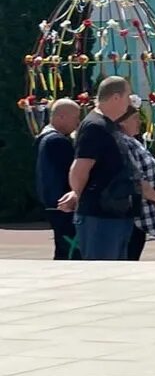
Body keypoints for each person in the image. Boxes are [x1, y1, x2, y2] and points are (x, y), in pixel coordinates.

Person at [57, 76, 140, 260]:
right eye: (128, 96)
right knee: (102, 273)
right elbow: (79, 169)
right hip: (100, 217)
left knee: (115, 275)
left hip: (116, 214)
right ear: (116, 98)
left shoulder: (109, 126)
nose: (130, 101)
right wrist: (78, 194)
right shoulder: (95, 126)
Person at [119, 104, 155, 261]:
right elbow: (137, 181)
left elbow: (148, 174)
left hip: (142, 211)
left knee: (134, 256)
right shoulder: (123, 143)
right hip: (132, 214)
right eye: (135, 118)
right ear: (122, 122)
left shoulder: (134, 141)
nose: (139, 122)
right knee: (128, 259)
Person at [36, 98, 81, 260]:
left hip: (52, 202)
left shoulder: (44, 138)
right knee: (70, 249)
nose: (78, 122)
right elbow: (73, 171)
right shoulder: (57, 141)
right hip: (64, 203)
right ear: (61, 116)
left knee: (63, 246)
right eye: (75, 118)